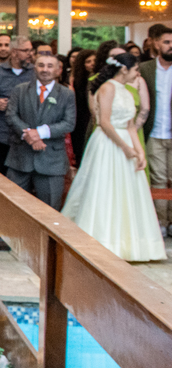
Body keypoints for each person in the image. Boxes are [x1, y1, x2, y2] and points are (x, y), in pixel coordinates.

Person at [63, 52, 166, 262]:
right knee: (104, 189)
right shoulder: (107, 87)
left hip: (125, 141)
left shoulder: (128, 91)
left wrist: (138, 151)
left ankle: (128, 243)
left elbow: (130, 125)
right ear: (124, 69)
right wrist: (124, 148)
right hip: (108, 143)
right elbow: (105, 122)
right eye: (136, 69)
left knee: (127, 192)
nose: (138, 73)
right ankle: (100, 240)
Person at [4, 51, 76, 209]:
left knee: (49, 208)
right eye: (41, 65)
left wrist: (40, 133)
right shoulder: (20, 90)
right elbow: (11, 115)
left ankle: (46, 236)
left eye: (50, 66)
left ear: (58, 70)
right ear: (34, 68)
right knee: (12, 205)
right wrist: (29, 135)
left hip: (51, 159)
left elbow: (68, 123)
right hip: (20, 157)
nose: (45, 69)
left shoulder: (66, 94)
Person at [138, 25, 172, 234]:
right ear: (156, 43)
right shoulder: (145, 69)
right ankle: (161, 223)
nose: (171, 46)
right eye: (167, 42)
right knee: (158, 180)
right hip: (155, 132)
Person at [0, 36, 35, 173]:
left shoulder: (34, 72)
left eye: (31, 50)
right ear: (14, 52)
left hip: (26, 134)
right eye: (25, 50)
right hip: (0, 133)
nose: (30, 54)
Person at [71, 50, 96, 166]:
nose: (92, 64)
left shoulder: (99, 79)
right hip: (79, 120)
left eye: (94, 61)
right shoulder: (75, 80)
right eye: (88, 61)